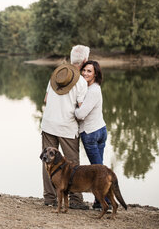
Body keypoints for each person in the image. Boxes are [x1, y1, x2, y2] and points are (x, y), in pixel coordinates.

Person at [41, 45, 90, 210]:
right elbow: (81, 108)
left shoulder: (56, 74)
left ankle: (49, 198)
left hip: (48, 123)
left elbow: (46, 99)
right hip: (67, 126)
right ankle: (75, 199)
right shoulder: (81, 81)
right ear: (84, 61)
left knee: (48, 161)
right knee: (72, 164)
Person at [74, 60, 108, 210]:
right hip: (100, 129)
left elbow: (81, 114)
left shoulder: (93, 90)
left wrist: (72, 109)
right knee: (100, 167)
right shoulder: (89, 88)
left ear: (95, 74)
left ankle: (103, 202)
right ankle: (98, 201)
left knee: (98, 171)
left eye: (89, 71)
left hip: (91, 133)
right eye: (84, 70)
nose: (85, 73)